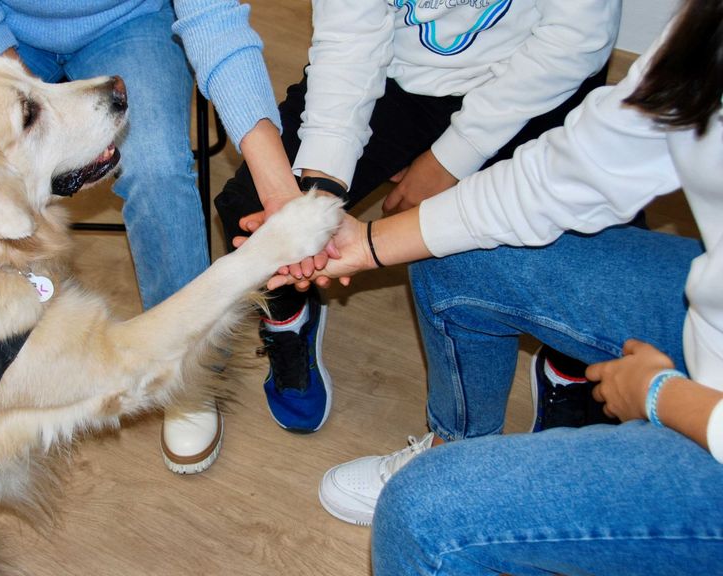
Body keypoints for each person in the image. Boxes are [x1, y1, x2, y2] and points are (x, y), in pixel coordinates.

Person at [267, 0, 723, 571]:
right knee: (450, 252)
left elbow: (573, 42)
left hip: (705, 413)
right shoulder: (706, 30)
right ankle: (459, 446)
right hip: (709, 323)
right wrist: (374, 243)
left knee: (421, 518)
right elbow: (571, 172)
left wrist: (671, 400)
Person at [0, 0, 305, 474]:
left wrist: (279, 190)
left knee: (157, 168)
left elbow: (215, 20)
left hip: (131, 19)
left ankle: (185, 367)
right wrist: (33, 103)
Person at [215, 0, 622, 435]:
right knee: (251, 207)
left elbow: (577, 37)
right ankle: (289, 318)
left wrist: (451, 156)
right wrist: (322, 191)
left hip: (535, 75)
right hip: (398, 67)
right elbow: (350, 38)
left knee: (593, 248)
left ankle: (570, 368)